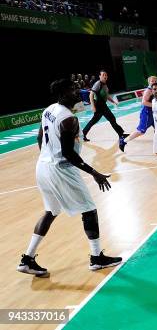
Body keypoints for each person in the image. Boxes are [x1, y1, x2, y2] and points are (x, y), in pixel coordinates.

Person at [17, 79, 122, 276]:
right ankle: (96, 258)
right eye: (73, 90)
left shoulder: (49, 109)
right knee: (89, 210)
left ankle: (27, 259)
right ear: (63, 93)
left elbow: (40, 137)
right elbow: (68, 153)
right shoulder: (68, 119)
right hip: (60, 169)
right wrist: (94, 173)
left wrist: (47, 156)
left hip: (43, 167)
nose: (77, 92)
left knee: (50, 211)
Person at [82, 70, 127, 142]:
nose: (105, 76)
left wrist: (113, 102)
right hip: (99, 106)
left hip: (103, 105)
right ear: (100, 76)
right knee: (111, 119)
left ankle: (83, 134)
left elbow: (107, 96)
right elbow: (91, 95)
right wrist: (93, 106)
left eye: (106, 75)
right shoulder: (98, 84)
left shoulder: (105, 84)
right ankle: (121, 134)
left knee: (95, 121)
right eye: (103, 75)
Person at [119, 76, 156, 152]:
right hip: (146, 113)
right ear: (149, 82)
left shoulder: (154, 90)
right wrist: (156, 105)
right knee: (140, 131)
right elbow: (144, 102)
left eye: (155, 81)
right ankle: (123, 141)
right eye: (152, 81)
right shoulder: (148, 91)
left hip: (152, 113)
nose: (154, 82)